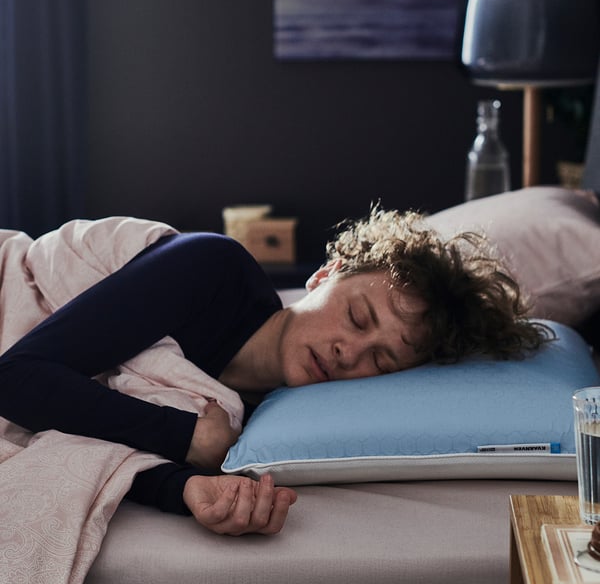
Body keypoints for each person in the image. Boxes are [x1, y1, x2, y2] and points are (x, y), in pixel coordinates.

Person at [0, 207, 550, 536]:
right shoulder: (213, 269)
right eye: (358, 317)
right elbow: (18, 375)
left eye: (382, 361)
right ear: (325, 273)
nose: (348, 353)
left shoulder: (265, 422)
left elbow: (100, 437)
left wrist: (188, 488)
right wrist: (183, 439)